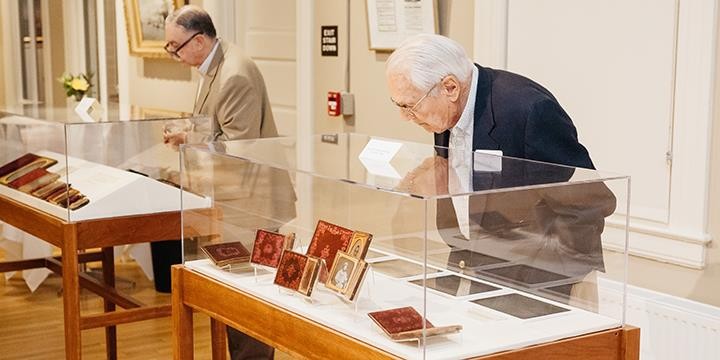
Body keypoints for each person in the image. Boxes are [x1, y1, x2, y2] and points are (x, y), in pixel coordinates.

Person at [386, 34, 616, 310]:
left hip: (536, 285)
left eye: (409, 106)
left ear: (450, 88)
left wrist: (554, 282)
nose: (404, 117)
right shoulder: (445, 114)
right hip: (473, 273)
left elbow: (589, 203)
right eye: (398, 106)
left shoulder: (528, 110)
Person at [164, 6, 288, 360]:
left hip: (251, 200)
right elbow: (217, 128)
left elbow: (238, 148)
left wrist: (193, 145)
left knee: (249, 299)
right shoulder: (211, 65)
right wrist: (188, 134)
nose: (173, 55)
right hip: (232, 197)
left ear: (199, 40)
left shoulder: (234, 72)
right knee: (232, 295)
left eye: (175, 47)